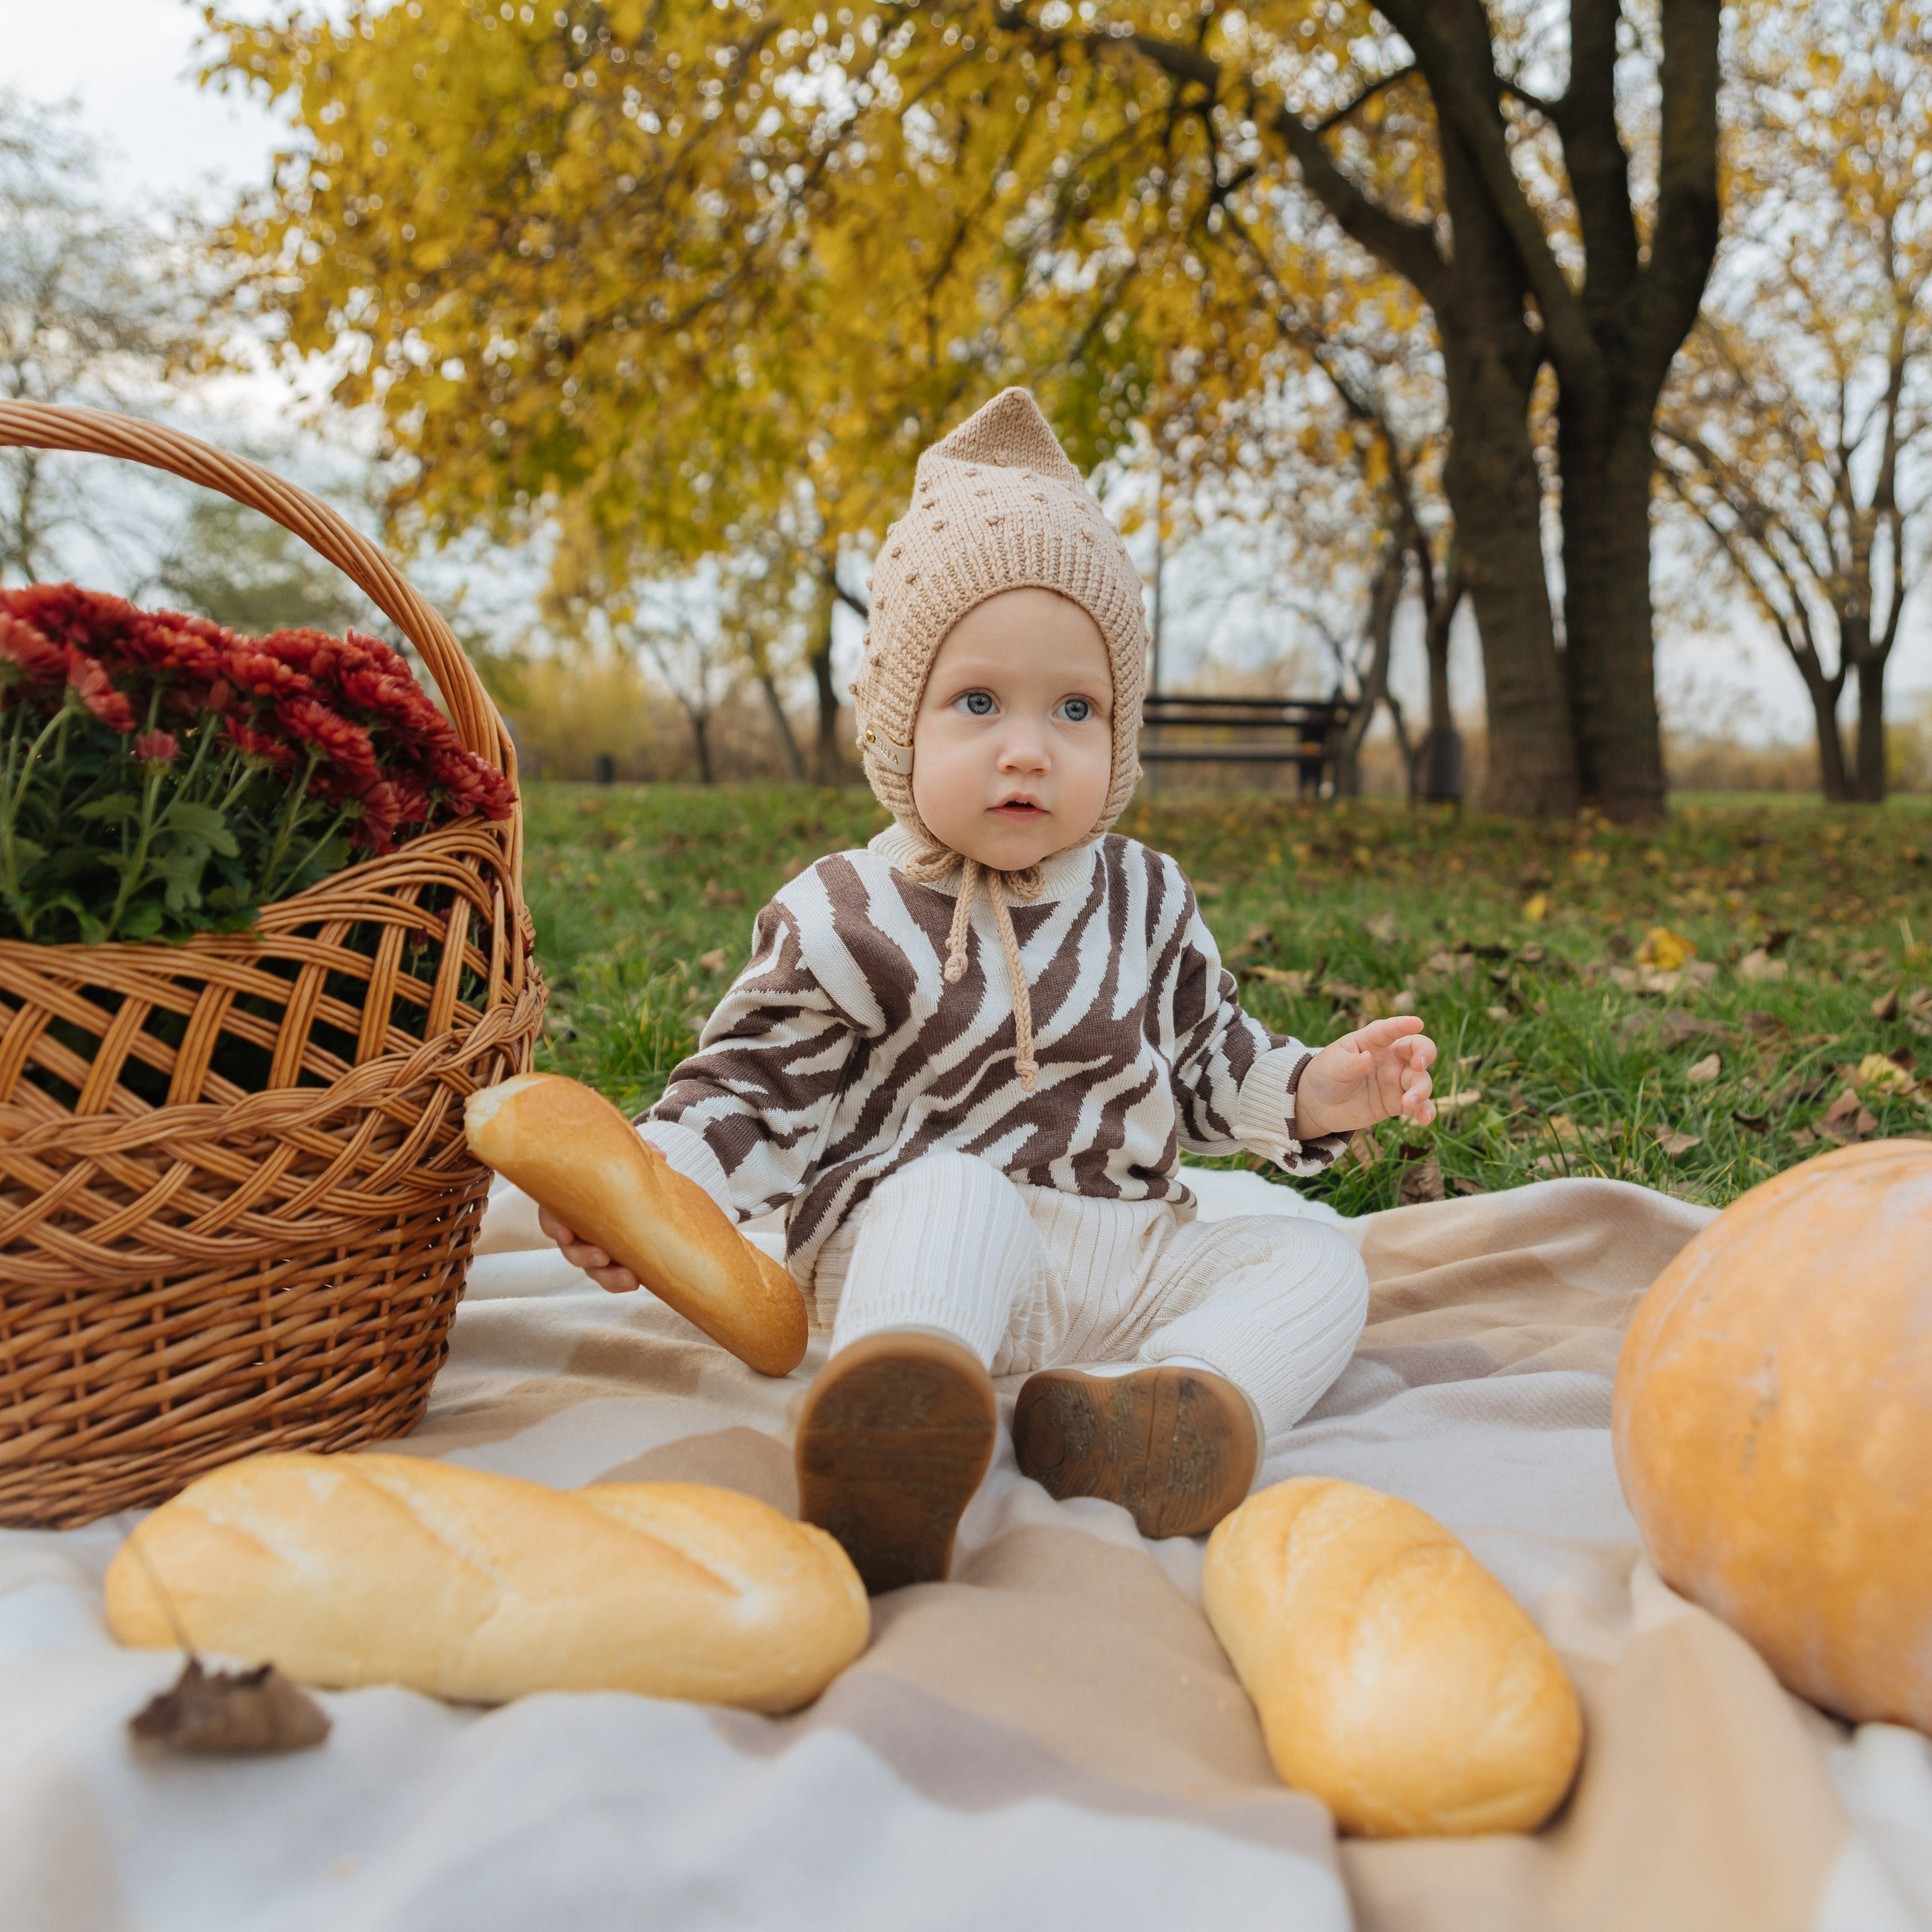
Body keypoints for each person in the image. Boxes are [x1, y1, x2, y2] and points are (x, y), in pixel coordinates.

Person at [542, 389, 1436, 1592]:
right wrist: (651, 1192)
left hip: (1123, 1262)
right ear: (895, 725)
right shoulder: (849, 907)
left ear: (1117, 741)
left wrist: (1328, 1086)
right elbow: (752, 1083)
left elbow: (1216, 1065)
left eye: (1076, 709)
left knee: (1313, 1263)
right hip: (921, 1251)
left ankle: (1155, 1417)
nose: (1029, 748)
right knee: (954, 1192)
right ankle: (900, 1428)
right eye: (979, 703)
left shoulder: (1147, 897)